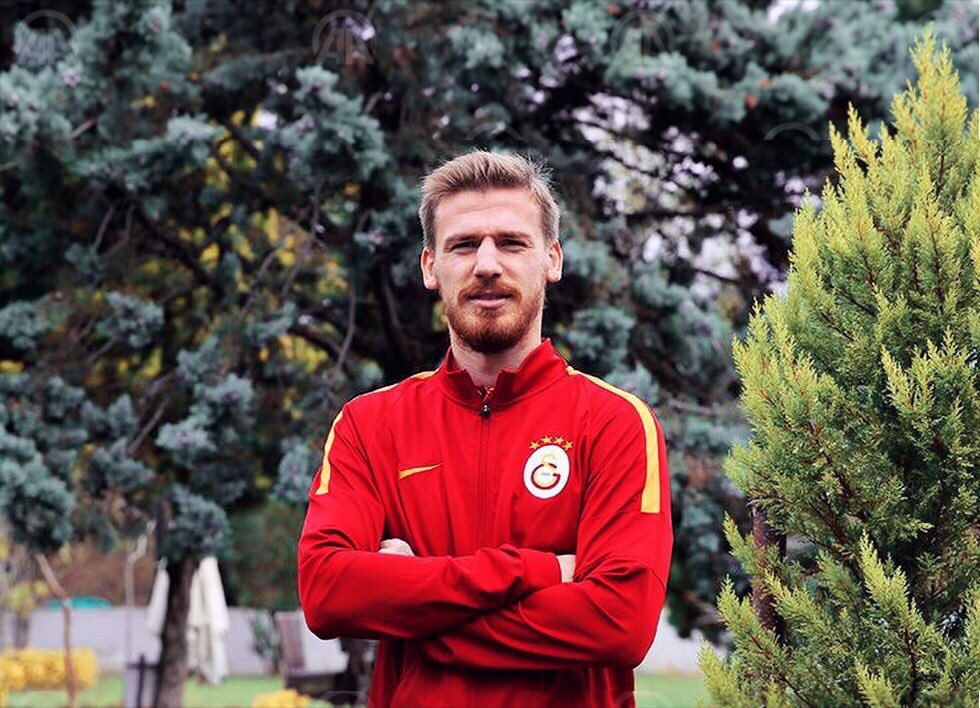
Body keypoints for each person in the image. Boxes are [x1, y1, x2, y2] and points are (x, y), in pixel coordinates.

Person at [298, 150, 673, 707]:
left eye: (512, 243)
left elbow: (620, 623)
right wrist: (540, 571)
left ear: (551, 259)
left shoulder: (615, 422)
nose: (488, 264)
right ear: (431, 267)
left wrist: (415, 606)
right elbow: (327, 592)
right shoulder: (370, 424)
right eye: (464, 245)